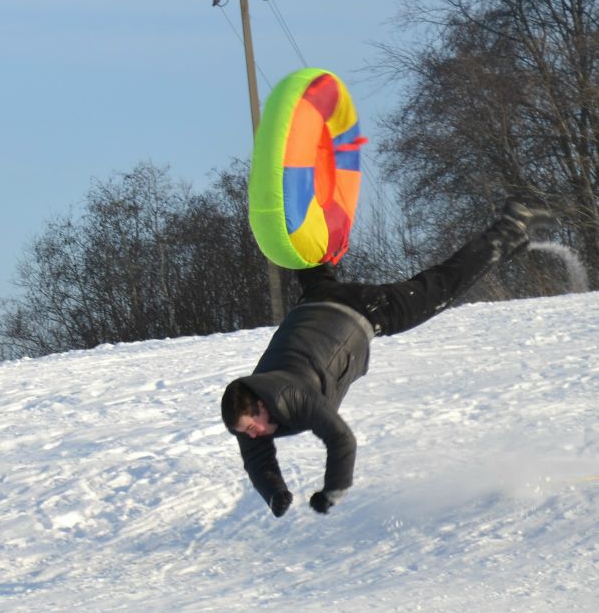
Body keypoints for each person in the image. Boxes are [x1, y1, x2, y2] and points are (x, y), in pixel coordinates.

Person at [221, 198, 554, 518]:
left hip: (363, 310)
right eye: (244, 432)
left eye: (251, 427)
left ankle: (511, 225)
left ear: (262, 405)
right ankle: (511, 243)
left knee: (443, 285)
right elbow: (255, 458)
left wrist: (333, 491)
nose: (252, 435)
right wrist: (274, 492)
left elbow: (340, 439)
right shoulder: (249, 410)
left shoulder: (293, 395)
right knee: (310, 255)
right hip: (315, 301)